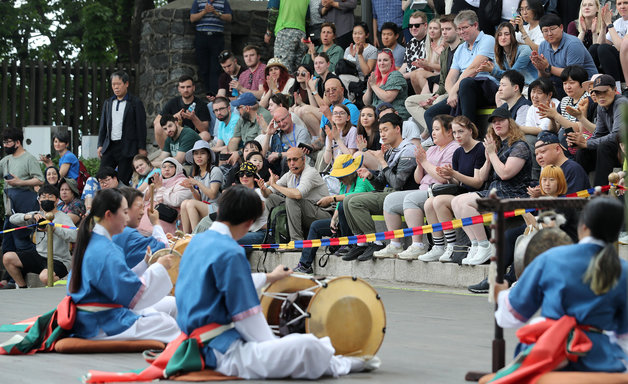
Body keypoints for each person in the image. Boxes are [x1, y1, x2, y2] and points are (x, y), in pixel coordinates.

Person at [173, 184, 379, 379]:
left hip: (197, 341)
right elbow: (248, 319)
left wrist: (269, 278)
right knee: (306, 345)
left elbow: (224, 284)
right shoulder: (231, 252)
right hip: (222, 352)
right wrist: (275, 345)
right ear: (248, 223)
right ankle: (342, 364)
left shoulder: (196, 242)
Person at [493, 197, 628, 376]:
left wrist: (501, 296)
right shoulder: (623, 270)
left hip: (548, 352)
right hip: (600, 358)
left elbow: (511, 316)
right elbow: (623, 335)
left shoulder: (551, 258)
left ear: (584, 226)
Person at [68, 188, 180, 343]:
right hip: (101, 321)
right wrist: (158, 267)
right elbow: (132, 293)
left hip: (91, 317)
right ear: (109, 215)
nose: (127, 218)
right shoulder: (106, 249)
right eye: (124, 212)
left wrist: (145, 264)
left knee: (161, 314)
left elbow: (120, 282)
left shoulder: (95, 241)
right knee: (167, 324)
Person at [451, 107, 532, 265]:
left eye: (501, 120)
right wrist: (488, 158)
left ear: (510, 122)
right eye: (494, 122)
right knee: (456, 201)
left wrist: (492, 154)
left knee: (465, 203)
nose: (497, 124)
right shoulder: (500, 146)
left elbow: (505, 173)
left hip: (513, 194)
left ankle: (484, 244)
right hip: (496, 191)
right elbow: (481, 177)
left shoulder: (520, 146)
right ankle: (475, 244)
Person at [374, 115, 459, 260]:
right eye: (432, 129)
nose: (433, 133)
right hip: (424, 188)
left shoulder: (454, 148)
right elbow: (418, 179)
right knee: (390, 200)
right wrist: (420, 164)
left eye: (437, 129)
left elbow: (442, 178)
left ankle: (418, 245)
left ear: (449, 131)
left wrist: (424, 162)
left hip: (439, 190)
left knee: (411, 199)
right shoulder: (432, 149)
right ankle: (395, 243)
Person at [341, 113, 419, 262]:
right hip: (388, 193)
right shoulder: (390, 150)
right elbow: (382, 183)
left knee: (354, 202)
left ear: (397, 129)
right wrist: (370, 176)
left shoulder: (408, 150)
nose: (382, 134)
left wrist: (382, 162)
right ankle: (361, 241)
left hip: (402, 195)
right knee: (347, 200)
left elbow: (397, 183)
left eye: (385, 129)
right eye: (380, 131)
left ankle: (375, 241)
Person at [420, 116, 486, 262]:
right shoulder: (458, 152)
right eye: (455, 133)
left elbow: (477, 183)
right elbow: (456, 182)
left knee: (438, 202)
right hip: (461, 192)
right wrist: (449, 176)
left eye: (460, 132)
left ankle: (452, 245)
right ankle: (439, 246)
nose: (457, 136)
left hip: (477, 193)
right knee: (429, 203)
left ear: (470, 130)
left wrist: (454, 174)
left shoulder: (480, 148)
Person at [294, 154, 374, 274]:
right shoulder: (343, 184)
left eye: (342, 176)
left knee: (344, 204)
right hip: (345, 222)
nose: (339, 179)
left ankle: (349, 244)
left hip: (360, 223)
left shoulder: (361, 180)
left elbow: (353, 198)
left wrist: (332, 198)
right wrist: (334, 219)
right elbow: (339, 205)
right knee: (316, 226)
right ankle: (305, 265)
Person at [424, 10, 497, 136]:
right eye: (459, 29)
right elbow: (450, 77)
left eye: (465, 28)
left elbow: (474, 69)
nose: (461, 32)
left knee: (466, 82)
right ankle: (445, 148)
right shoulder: (461, 49)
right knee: (430, 113)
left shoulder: (487, 39)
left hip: (486, 88)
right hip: (463, 90)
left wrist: (454, 91)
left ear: (475, 25)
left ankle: (469, 135)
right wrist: (452, 93)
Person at [2, 185, 76, 287]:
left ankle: (62, 284)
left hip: (59, 259)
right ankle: (23, 287)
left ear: (57, 200)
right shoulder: (38, 215)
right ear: (39, 200)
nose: (46, 199)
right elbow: (12, 219)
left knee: (45, 277)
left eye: (50, 196)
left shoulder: (64, 217)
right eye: (43, 197)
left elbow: (74, 236)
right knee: (8, 257)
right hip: (39, 255)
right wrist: (30, 216)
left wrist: (53, 228)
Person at [405, 13, 461, 139]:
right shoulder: (445, 51)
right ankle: (430, 129)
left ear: (457, 30)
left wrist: (440, 95)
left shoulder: (462, 47)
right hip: (443, 91)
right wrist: (434, 95)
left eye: (448, 29)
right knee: (410, 101)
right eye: (443, 29)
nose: (444, 32)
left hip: (455, 92)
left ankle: (433, 135)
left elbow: (458, 77)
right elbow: (443, 80)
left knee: (438, 100)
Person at [568, 74, 628, 187]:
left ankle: (601, 193)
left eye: (604, 91)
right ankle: (578, 191)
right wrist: (580, 143)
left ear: (615, 90)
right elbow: (599, 134)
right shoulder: (601, 106)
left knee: (604, 147)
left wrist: (587, 143)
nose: (601, 96)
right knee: (582, 151)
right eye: (597, 93)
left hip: (624, 148)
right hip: (617, 148)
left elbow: (617, 135)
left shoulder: (622, 103)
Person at [260, 147, 332, 241]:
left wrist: (274, 185)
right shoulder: (290, 174)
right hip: (307, 211)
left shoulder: (310, 172)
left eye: (295, 159)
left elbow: (298, 194)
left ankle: (297, 240)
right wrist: (263, 189)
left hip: (322, 213)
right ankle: (278, 236)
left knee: (292, 199)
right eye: (289, 160)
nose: (292, 163)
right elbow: (267, 194)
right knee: (271, 199)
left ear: (303, 159)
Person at [0, 128, 44, 265]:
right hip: (9, 210)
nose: (5, 145)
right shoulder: (5, 160)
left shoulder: (29, 158)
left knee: (22, 244)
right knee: (7, 245)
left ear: (17, 142)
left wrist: (20, 182)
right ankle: (10, 280)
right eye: (4, 142)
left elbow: (40, 180)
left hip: (24, 210)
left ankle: (42, 265)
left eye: (8, 142)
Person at [97, 70, 147, 185]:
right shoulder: (108, 103)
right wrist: (100, 144)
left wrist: (141, 147)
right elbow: (103, 125)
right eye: (113, 84)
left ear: (126, 84)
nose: (116, 87)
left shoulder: (135, 103)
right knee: (102, 176)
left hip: (127, 147)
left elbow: (141, 126)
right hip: (110, 146)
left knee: (122, 179)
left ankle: (120, 201)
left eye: (118, 84)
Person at [531, 13, 597, 99]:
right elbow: (544, 76)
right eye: (545, 31)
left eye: (553, 29)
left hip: (583, 83)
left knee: (556, 83)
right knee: (536, 87)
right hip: (560, 81)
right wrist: (540, 68)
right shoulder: (543, 46)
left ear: (561, 27)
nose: (550, 33)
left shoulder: (573, 44)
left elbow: (573, 75)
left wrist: (548, 67)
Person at [536, 65, 597, 157]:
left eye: (571, 83)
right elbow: (554, 129)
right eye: (565, 83)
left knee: (564, 135)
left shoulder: (588, 100)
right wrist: (552, 118)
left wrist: (556, 115)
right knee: (544, 135)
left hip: (581, 139)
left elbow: (577, 128)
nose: (567, 87)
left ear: (582, 84)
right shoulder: (564, 100)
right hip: (564, 139)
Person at [113, 187, 168, 269]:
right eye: (139, 207)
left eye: (143, 208)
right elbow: (164, 251)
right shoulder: (128, 234)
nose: (143, 212)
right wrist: (156, 222)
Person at [138, 158, 194, 235]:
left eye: (171, 166)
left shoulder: (183, 182)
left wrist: (160, 188)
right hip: (150, 214)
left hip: (169, 217)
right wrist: (151, 189)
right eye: (164, 167)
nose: (167, 169)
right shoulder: (158, 180)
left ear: (177, 168)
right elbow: (144, 199)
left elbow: (175, 201)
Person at [153, 75, 211, 148]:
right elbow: (156, 121)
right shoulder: (172, 102)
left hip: (192, 140)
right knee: (158, 126)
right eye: (182, 87)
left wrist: (193, 118)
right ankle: (166, 152)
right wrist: (173, 117)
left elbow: (205, 129)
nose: (186, 90)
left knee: (205, 135)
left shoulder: (201, 105)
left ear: (193, 88)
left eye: (188, 87)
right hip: (175, 137)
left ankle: (184, 153)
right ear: (179, 89)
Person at [179, 141, 224, 234]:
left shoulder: (215, 170)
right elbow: (199, 199)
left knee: (190, 203)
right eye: (196, 154)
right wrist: (191, 188)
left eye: (202, 153)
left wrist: (197, 183)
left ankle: (196, 235)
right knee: (184, 203)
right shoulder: (197, 174)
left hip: (217, 209)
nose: (199, 156)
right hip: (205, 206)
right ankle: (185, 236)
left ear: (208, 156)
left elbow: (212, 195)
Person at [190, 0, 233, 95]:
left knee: (216, 67)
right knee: (203, 67)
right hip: (202, 36)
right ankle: (207, 92)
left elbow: (229, 17)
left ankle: (214, 94)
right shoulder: (198, 1)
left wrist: (216, 13)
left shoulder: (223, 2)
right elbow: (192, 18)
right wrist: (204, 12)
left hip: (217, 37)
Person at [588, 2, 626, 90]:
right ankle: (592, 84)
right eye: (619, 4)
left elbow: (622, 48)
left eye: (626, 3)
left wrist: (609, 23)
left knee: (604, 49)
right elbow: (601, 44)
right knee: (594, 48)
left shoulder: (614, 23)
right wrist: (603, 26)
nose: (622, 6)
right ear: (616, 7)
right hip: (616, 64)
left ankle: (616, 88)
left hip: (625, 63)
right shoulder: (618, 22)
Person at [363, 49, 410, 120]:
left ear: (391, 62)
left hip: (395, 115)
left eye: (385, 60)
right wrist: (369, 89)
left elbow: (388, 98)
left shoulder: (395, 75)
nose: (382, 63)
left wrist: (373, 86)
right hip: (376, 115)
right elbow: (366, 102)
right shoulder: (375, 78)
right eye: (379, 60)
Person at [227, 93, 273, 163]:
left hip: (258, 156)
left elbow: (259, 145)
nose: (238, 111)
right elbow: (235, 139)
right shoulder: (243, 117)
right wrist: (231, 153)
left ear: (247, 108)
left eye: (238, 108)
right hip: (245, 153)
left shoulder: (262, 117)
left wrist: (239, 153)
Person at [263, 107, 312, 172]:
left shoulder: (301, 131)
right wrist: (268, 134)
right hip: (279, 167)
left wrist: (279, 155)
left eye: (283, 119)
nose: (282, 124)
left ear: (290, 116)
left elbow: (297, 154)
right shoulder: (277, 134)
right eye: (278, 122)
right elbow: (263, 155)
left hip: (300, 166)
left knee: (285, 160)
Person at [268, 0, 309, 73]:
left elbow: (273, 11)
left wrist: (269, 32)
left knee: (282, 67)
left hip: (285, 31)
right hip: (301, 34)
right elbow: (308, 18)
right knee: (298, 70)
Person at [235, 162, 268, 246]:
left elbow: (255, 214)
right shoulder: (239, 195)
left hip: (260, 233)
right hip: (245, 232)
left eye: (248, 174)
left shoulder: (259, 192)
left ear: (254, 177)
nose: (244, 176)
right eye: (241, 174)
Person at [409, 17, 444, 95]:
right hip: (435, 74)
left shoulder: (443, 45)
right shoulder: (428, 44)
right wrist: (423, 65)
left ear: (441, 31)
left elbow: (443, 66)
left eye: (435, 28)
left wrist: (427, 64)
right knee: (413, 74)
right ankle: (419, 97)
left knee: (419, 74)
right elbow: (431, 68)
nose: (431, 30)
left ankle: (427, 97)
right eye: (430, 28)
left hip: (442, 76)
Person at [340, 22, 378, 91]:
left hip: (365, 81)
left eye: (360, 33)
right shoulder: (349, 49)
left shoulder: (372, 50)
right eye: (355, 33)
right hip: (350, 78)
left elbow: (366, 72)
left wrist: (360, 55)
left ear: (366, 35)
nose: (357, 36)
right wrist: (351, 57)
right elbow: (343, 70)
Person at [399, 11, 429, 84]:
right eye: (410, 26)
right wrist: (396, 76)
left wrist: (403, 77)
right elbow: (405, 65)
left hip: (422, 79)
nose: (413, 28)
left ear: (425, 25)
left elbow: (426, 68)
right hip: (407, 79)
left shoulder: (430, 42)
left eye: (417, 25)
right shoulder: (410, 43)